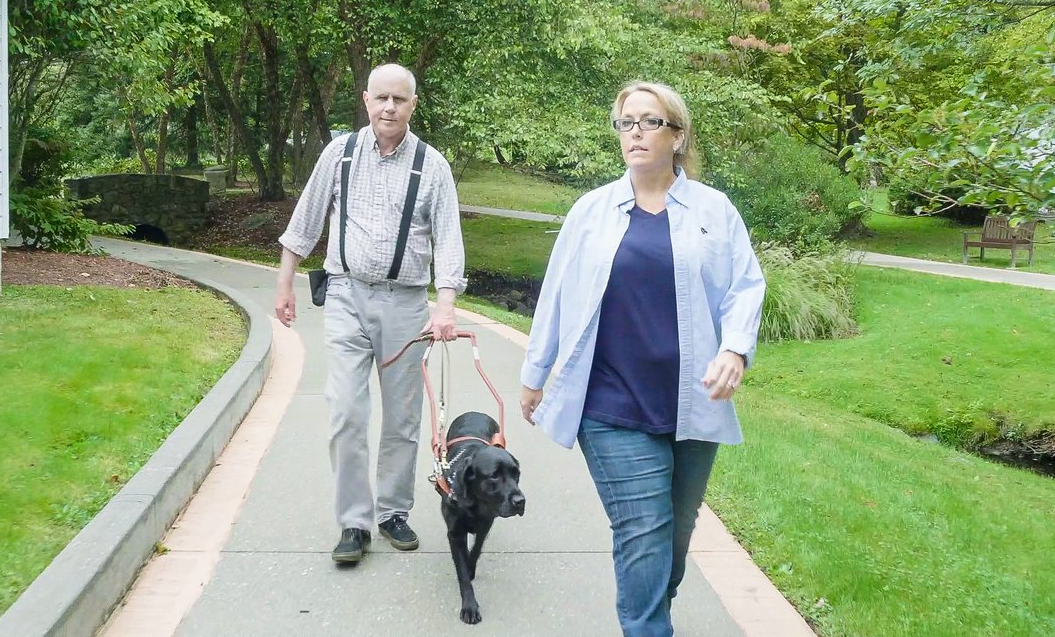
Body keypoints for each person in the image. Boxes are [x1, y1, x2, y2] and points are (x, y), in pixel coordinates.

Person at [519, 81, 765, 636]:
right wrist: (535, 375)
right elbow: (556, 291)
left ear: (677, 136)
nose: (635, 132)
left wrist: (734, 349)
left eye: (649, 122)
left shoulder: (713, 210)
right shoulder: (591, 212)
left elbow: (746, 286)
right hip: (610, 403)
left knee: (673, 538)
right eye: (626, 122)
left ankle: (650, 612)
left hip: (690, 402)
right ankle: (648, 627)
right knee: (643, 530)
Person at [275, 63, 466, 563]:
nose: (389, 108)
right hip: (345, 296)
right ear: (365, 100)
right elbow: (305, 220)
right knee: (345, 412)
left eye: (399, 100)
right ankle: (354, 523)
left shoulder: (433, 165)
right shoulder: (339, 154)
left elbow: (448, 242)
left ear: (412, 105)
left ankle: (392, 513)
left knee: (403, 417)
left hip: (405, 304)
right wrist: (284, 284)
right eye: (381, 98)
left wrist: (444, 306)